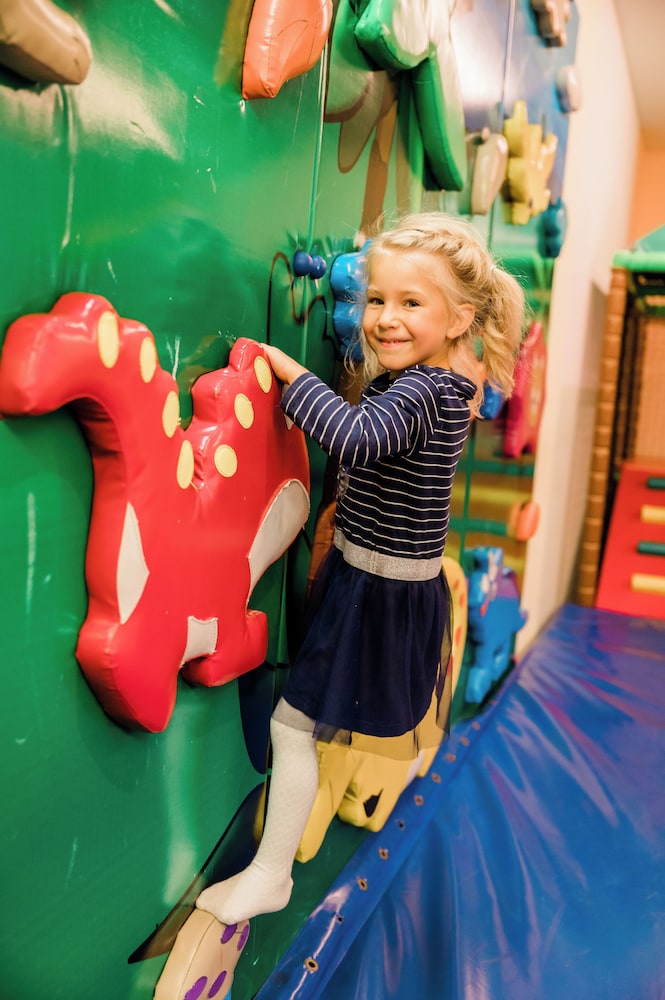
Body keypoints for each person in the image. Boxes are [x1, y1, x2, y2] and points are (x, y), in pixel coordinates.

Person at [196, 212, 526, 925]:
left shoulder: (422, 393)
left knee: (294, 727)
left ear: (458, 317)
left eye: (411, 303)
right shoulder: (432, 385)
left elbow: (351, 435)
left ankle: (272, 873)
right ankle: (277, 864)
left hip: (377, 592)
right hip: (372, 578)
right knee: (307, 723)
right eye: (377, 299)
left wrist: (289, 374)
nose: (385, 318)